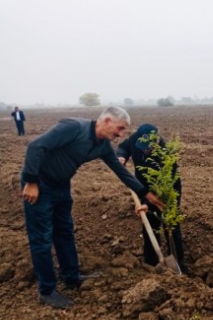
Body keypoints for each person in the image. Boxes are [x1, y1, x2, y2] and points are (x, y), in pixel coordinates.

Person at [22, 107, 164, 309]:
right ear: (106, 120)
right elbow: (36, 146)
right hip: (39, 185)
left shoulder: (103, 146)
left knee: (65, 232)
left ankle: (71, 277)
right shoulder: (73, 128)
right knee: (42, 238)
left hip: (62, 186)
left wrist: (145, 193)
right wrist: (31, 182)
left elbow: (120, 171)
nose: (120, 135)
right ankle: (46, 291)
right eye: (120, 128)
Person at [116, 124, 186, 273]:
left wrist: (148, 203)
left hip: (167, 191)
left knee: (171, 226)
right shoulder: (135, 139)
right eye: (143, 146)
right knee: (149, 224)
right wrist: (121, 156)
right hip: (143, 187)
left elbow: (167, 185)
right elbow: (124, 147)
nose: (145, 149)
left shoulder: (164, 153)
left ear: (156, 141)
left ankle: (179, 265)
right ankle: (151, 262)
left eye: (149, 147)